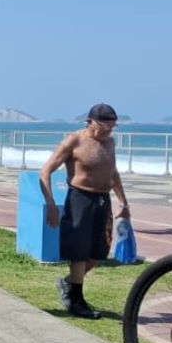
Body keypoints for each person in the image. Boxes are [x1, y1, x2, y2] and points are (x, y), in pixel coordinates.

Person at [39, 103, 130, 319]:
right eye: (105, 125)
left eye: (112, 126)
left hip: (102, 200)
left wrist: (123, 203)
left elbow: (113, 172)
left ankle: (68, 283)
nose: (109, 130)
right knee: (79, 253)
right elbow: (45, 171)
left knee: (98, 253)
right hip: (80, 198)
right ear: (89, 122)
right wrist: (51, 204)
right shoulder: (74, 141)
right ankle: (76, 301)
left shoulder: (110, 142)